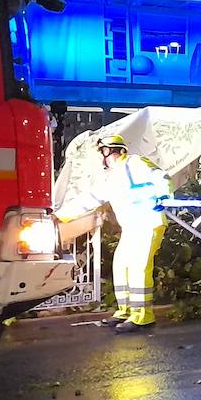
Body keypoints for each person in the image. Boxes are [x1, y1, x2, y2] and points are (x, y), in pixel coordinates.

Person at [56, 134, 171, 332]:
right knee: (121, 266)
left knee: (137, 268)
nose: (101, 157)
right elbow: (89, 200)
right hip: (132, 227)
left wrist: (163, 197)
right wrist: (60, 216)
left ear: (111, 151)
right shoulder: (111, 178)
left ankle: (142, 317)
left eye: (103, 152)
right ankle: (125, 311)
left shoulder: (134, 163)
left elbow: (160, 177)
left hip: (148, 223)